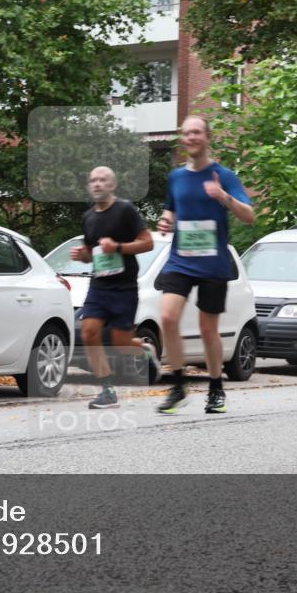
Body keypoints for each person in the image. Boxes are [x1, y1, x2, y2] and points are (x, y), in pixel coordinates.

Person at [155, 116, 255, 415]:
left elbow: (249, 216)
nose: (192, 138)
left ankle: (215, 388)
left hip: (213, 263)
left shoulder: (224, 175)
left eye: (197, 132)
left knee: (208, 330)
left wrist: (223, 197)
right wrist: (166, 221)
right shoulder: (176, 177)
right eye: (187, 133)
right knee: (167, 318)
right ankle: (178, 386)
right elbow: (171, 209)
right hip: (181, 260)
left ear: (207, 137)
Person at [70, 167, 158, 409]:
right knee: (89, 333)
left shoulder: (125, 210)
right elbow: (92, 254)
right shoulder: (88, 217)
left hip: (124, 286)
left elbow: (148, 243)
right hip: (99, 285)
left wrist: (118, 247)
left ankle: (145, 350)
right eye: (93, 180)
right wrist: (83, 255)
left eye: (102, 180)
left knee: (121, 343)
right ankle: (107, 391)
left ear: (113, 185)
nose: (97, 184)